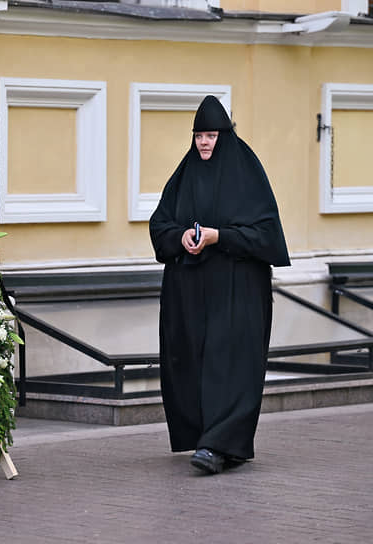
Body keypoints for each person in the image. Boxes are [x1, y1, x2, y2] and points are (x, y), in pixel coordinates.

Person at [148, 95, 290, 475]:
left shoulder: (247, 174)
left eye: (210, 135)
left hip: (237, 292)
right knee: (194, 363)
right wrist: (181, 238)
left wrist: (218, 236)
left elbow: (266, 235)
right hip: (191, 293)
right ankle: (218, 442)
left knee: (229, 366)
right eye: (198, 136)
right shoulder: (185, 175)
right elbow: (159, 224)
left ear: (224, 136)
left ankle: (218, 444)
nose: (204, 143)